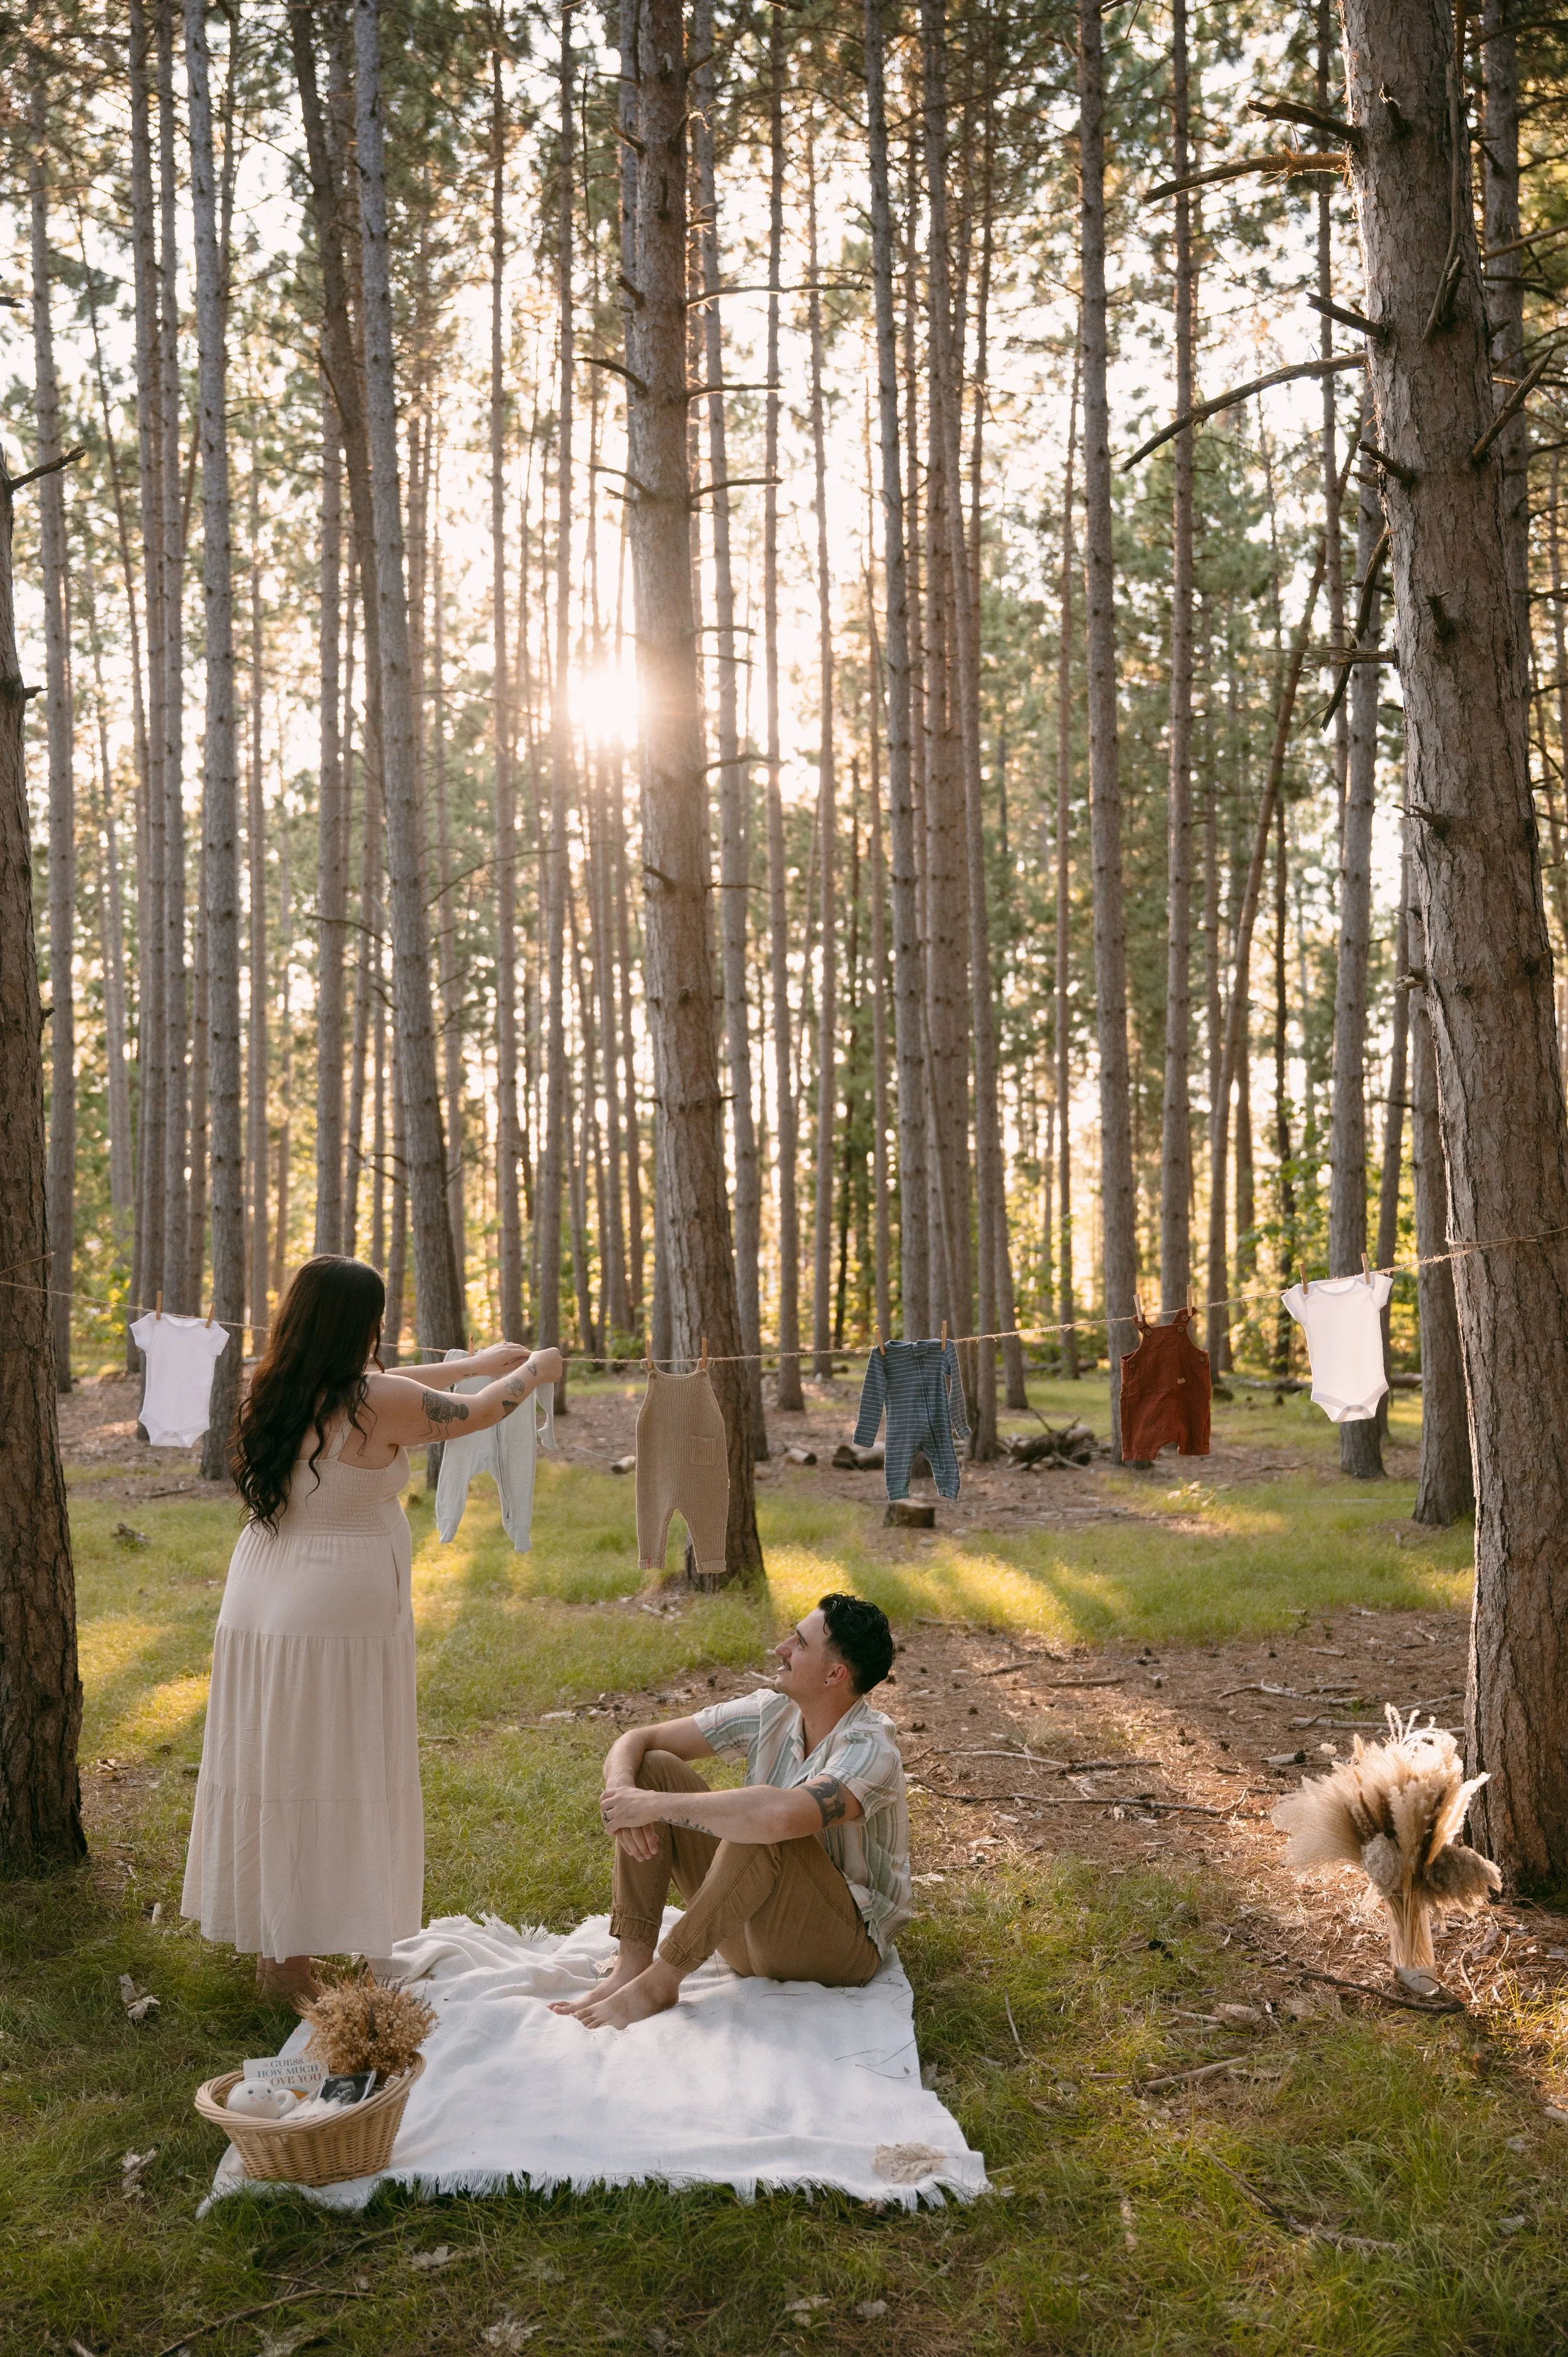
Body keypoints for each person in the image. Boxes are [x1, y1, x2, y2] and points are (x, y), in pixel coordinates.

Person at [181, 1253, 562, 2002]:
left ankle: (279, 1947)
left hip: (262, 1587)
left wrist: (479, 1360)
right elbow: (477, 1414)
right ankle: (290, 1963)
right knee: (325, 1769)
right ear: (362, 1325)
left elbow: (404, 1390)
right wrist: (535, 1371)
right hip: (332, 1608)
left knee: (276, 1762)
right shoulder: (370, 1398)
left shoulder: (284, 1384)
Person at [553, 1592, 910, 2030]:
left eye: (798, 1643)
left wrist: (652, 1806)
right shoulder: (772, 1710)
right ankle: (633, 1964)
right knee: (653, 1769)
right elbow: (638, 1739)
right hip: (747, 1930)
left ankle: (659, 1984)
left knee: (763, 1823)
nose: (781, 1648)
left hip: (840, 1946)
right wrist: (624, 1794)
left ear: (835, 1673)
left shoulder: (871, 1748)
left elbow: (777, 1817)